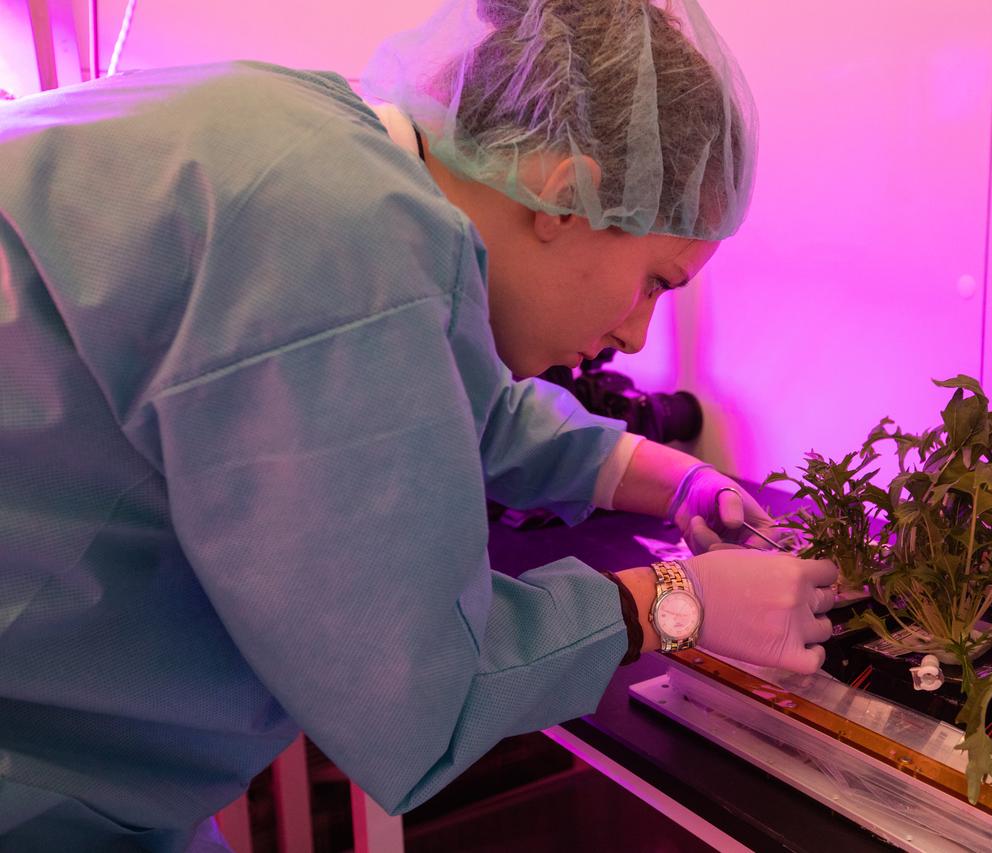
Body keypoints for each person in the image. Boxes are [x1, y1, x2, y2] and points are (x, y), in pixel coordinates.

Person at [0, 0, 837, 848]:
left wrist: (678, 479)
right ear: (565, 194)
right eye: (657, 280)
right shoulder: (342, 235)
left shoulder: (334, 152)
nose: (636, 333)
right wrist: (678, 600)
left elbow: (458, 399)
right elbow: (416, 692)